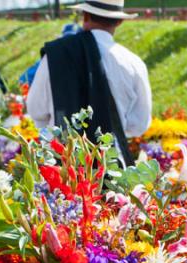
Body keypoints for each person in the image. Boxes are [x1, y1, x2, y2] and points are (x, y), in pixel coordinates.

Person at [27, 0, 151, 165]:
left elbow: (36, 110)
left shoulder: (56, 55)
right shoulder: (133, 63)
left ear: (84, 16)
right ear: (120, 21)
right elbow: (139, 125)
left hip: (60, 167)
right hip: (110, 167)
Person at [19, 23, 81, 87]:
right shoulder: (50, 59)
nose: (70, 45)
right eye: (66, 40)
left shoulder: (85, 63)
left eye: (74, 41)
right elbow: (23, 80)